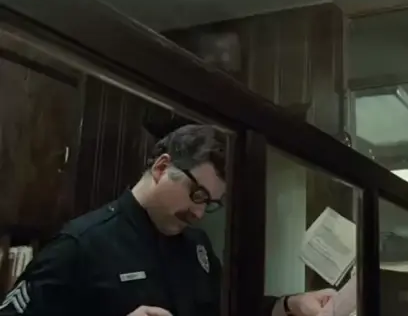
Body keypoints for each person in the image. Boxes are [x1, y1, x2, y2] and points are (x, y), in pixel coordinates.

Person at [0, 125, 335, 316]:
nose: (199, 213)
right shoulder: (81, 244)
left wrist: (289, 306)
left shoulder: (197, 247)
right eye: (197, 194)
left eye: (211, 203)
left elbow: (228, 309)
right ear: (162, 168)